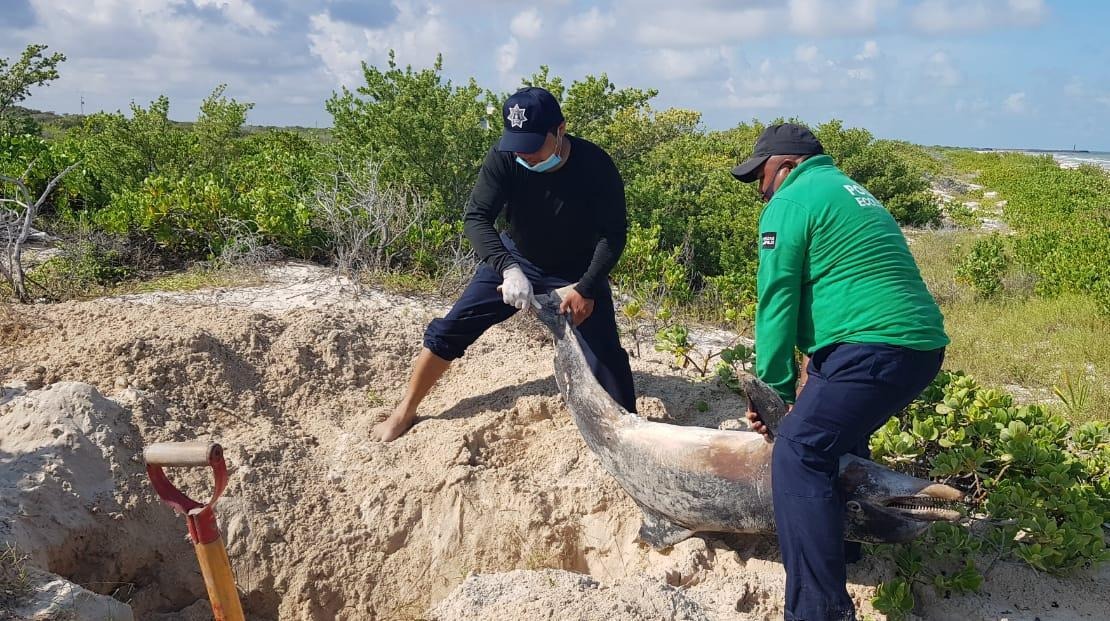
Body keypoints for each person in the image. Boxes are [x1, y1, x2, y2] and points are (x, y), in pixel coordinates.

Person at [732, 123, 949, 620]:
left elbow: (776, 301)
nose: (760, 190)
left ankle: (817, 610)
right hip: (918, 348)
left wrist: (772, 391)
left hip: (872, 348)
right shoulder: (853, 192)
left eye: (761, 177)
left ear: (785, 165)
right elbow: (843, 286)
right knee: (837, 437)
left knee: (799, 453)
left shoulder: (789, 202)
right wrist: (812, 367)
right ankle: (847, 548)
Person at [371, 86, 637, 442]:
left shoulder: (595, 165)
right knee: (451, 329)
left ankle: (628, 432)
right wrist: (508, 267)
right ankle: (404, 411)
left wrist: (586, 287)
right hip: (517, 259)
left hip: (578, 269)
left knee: (607, 359)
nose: (524, 154)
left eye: (533, 145)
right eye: (517, 144)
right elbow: (476, 217)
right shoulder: (505, 156)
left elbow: (613, 234)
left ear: (559, 130)